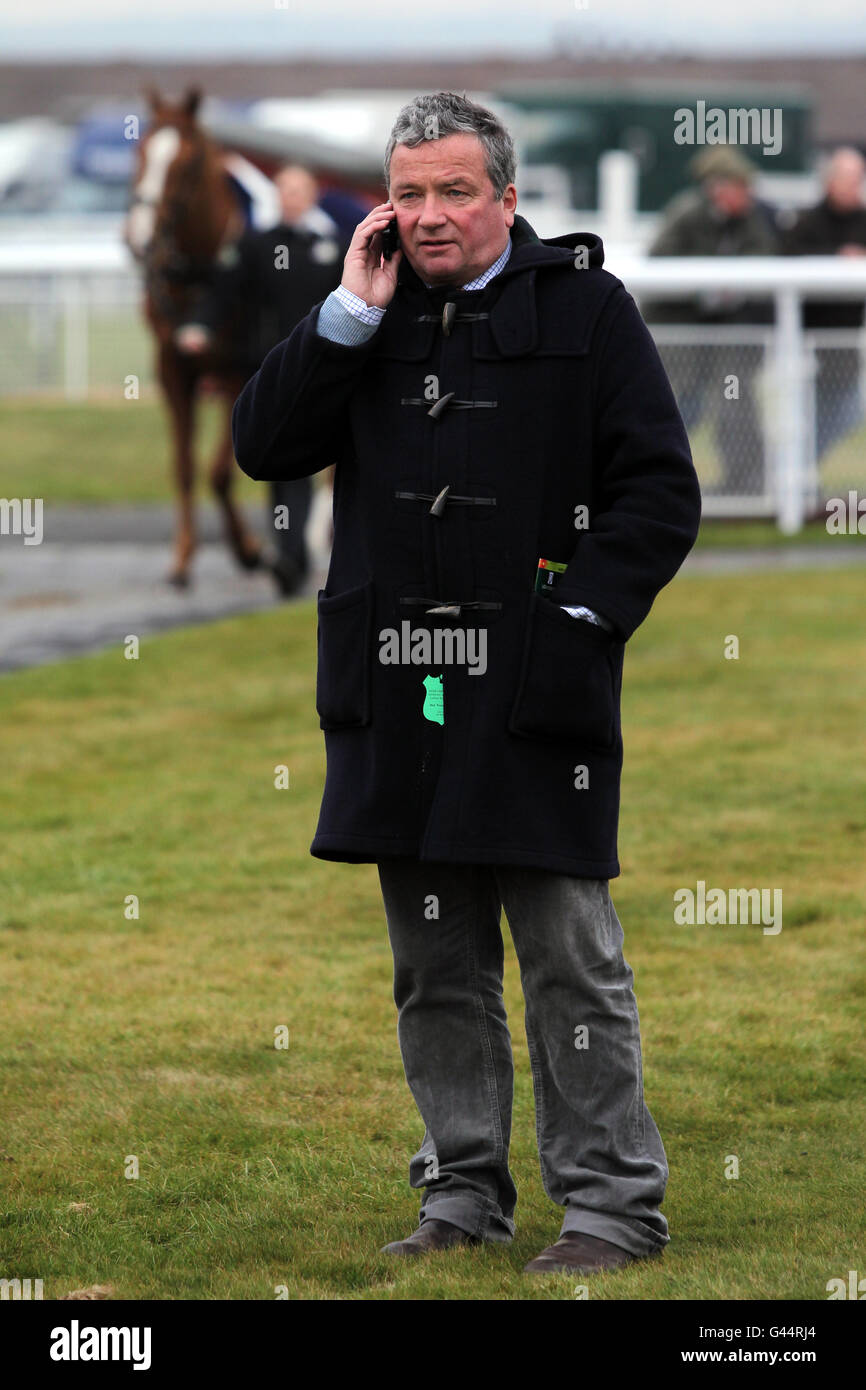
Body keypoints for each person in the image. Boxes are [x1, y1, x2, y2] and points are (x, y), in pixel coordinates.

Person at [232, 92, 701, 1276]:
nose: (429, 216)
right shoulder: (366, 313)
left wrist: (580, 619)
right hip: (403, 689)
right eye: (408, 193)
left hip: (537, 688)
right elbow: (264, 446)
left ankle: (609, 1206)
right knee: (433, 960)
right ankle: (462, 1191)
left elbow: (657, 491)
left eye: (453, 191)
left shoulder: (587, 310)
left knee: (566, 955)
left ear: (504, 196)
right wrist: (346, 311)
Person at [178, 164, 347, 594]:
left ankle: (322, 550)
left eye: (298, 189)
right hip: (275, 373)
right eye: (283, 190)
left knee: (338, 463)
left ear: (313, 194)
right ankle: (291, 557)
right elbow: (222, 291)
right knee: (285, 465)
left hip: (326, 373)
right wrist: (200, 327)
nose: (290, 197)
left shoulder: (334, 246)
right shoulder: (256, 245)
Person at [644, 147, 779, 498]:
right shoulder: (686, 214)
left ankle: (747, 484)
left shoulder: (751, 220)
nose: (747, 196)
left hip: (724, 332)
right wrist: (703, 290)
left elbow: (764, 259)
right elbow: (658, 263)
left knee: (735, 399)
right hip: (677, 332)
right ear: (718, 188)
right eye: (740, 187)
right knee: (675, 407)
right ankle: (652, 482)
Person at [781, 146, 866, 461]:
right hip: (802, 337)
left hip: (845, 338)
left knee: (847, 409)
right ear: (830, 181)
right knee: (802, 411)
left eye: (858, 178)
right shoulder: (806, 220)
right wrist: (837, 259)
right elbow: (786, 258)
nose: (853, 185)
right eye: (848, 178)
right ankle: (794, 472)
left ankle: (801, 466)